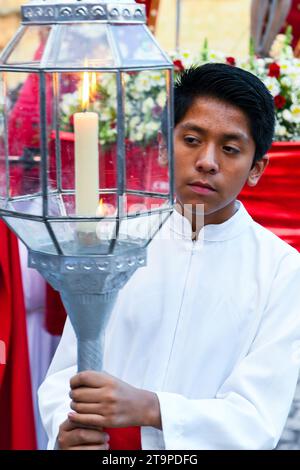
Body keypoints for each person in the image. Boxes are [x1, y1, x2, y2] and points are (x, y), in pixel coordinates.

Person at [38, 63, 300, 450]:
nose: (207, 161)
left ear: (257, 168)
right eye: (192, 139)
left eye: (230, 149)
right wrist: (67, 426)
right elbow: (66, 374)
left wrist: (152, 408)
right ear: (163, 146)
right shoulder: (117, 245)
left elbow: (258, 417)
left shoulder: (281, 271)